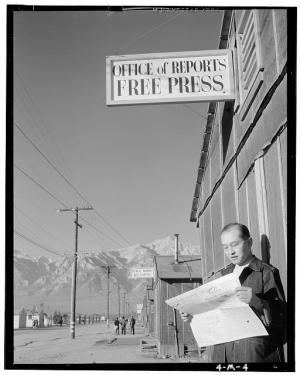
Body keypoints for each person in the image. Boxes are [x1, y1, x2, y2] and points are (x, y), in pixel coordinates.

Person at [181, 223, 286, 363]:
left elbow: (282, 317)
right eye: (225, 247)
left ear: (249, 242)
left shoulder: (266, 273)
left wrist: (256, 301)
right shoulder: (222, 276)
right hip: (222, 353)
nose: (231, 251)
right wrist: (193, 315)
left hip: (252, 354)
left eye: (235, 244)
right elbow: (214, 313)